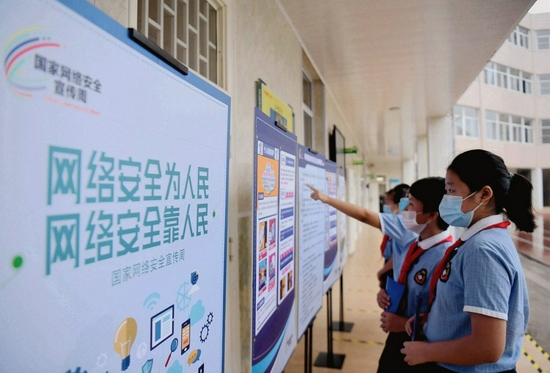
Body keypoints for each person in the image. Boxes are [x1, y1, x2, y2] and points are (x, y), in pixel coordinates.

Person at [401, 149, 535, 373]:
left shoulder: (483, 250)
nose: (446, 199)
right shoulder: (477, 241)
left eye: (451, 190)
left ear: (484, 194)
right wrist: (434, 320)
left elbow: (487, 347)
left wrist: (426, 351)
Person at [308, 177, 452, 372]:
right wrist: (387, 295)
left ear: (431, 215)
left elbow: (447, 315)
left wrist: (404, 324)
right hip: (396, 334)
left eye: (411, 204)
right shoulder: (414, 240)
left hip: (421, 344)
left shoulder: (446, 258)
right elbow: (405, 278)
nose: (405, 210)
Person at [378, 184, 410, 288]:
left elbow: (365, 216)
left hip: (393, 268)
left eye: (388, 201)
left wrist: (381, 271)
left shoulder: (403, 224)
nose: (385, 204)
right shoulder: (396, 221)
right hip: (391, 266)